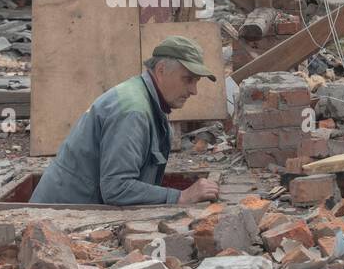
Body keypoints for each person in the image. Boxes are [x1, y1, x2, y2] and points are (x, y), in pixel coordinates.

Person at [30, 35, 221, 205]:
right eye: (188, 79)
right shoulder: (133, 112)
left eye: (196, 82)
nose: (194, 91)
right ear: (161, 70)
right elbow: (116, 188)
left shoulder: (144, 98)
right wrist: (180, 197)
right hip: (56, 218)